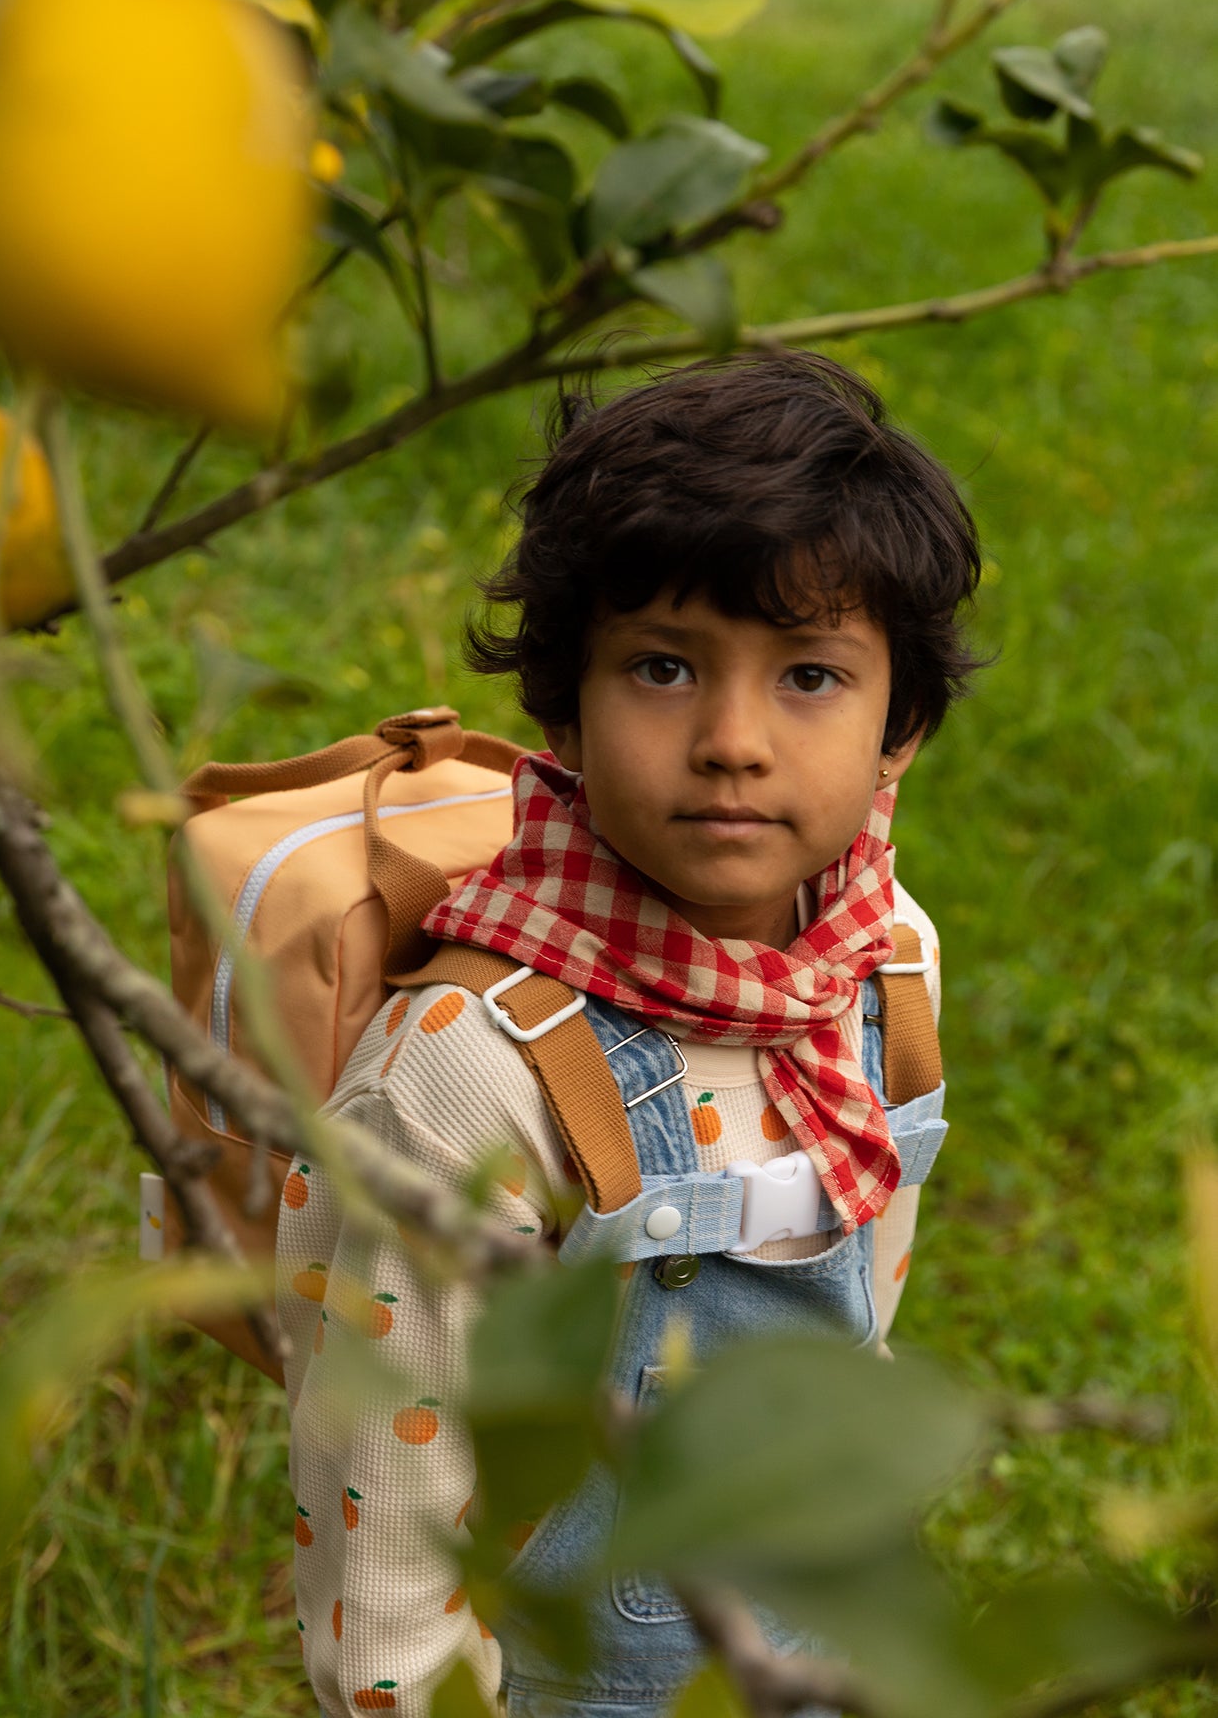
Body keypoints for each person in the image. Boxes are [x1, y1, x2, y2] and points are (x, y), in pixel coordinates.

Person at [275, 352, 982, 1718]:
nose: (729, 739)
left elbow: (861, 1318)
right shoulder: (472, 1067)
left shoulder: (887, 969)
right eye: (661, 668)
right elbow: (393, 1500)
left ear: (899, 726)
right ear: (562, 707)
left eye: (809, 678)